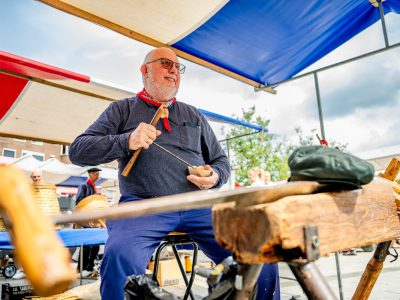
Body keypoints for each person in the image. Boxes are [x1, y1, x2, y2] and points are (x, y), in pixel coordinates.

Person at [69, 47, 279, 300]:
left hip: (200, 206)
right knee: (120, 255)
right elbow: (78, 151)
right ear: (144, 70)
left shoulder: (193, 114)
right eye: (166, 63)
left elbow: (221, 162)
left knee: (260, 248)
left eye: (178, 67)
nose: (173, 70)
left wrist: (214, 177)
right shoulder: (122, 109)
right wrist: (127, 140)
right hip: (144, 208)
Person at [13, 169, 44, 280]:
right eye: (34, 177)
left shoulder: (46, 190)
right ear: (31, 178)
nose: (36, 179)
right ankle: (23, 270)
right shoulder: (26, 190)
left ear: (42, 177)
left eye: (38, 176)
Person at [75, 167, 102, 278]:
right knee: (86, 245)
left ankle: (90, 267)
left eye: (98, 174)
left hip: (94, 219)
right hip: (86, 219)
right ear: (91, 174)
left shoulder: (94, 186)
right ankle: (81, 268)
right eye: (96, 174)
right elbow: (79, 201)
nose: (98, 176)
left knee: (95, 244)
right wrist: (92, 199)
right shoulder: (84, 186)